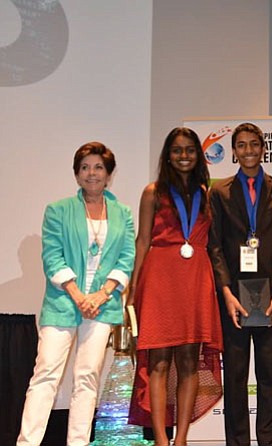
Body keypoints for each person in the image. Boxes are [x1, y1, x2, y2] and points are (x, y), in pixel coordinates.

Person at [17, 142, 135, 446]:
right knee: (45, 376)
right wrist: (78, 295)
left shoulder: (123, 214)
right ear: (76, 173)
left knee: (87, 379)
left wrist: (101, 295)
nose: (91, 173)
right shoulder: (58, 210)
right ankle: (27, 442)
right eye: (85, 167)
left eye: (98, 167)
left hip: (102, 306)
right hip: (62, 305)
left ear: (109, 174)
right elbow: (52, 257)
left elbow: (126, 258)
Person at [128, 127, 223, 446]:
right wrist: (133, 289)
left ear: (198, 155)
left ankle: (181, 439)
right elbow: (142, 241)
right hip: (159, 280)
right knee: (158, 362)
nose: (184, 156)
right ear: (168, 155)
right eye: (177, 150)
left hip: (195, 279)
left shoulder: (206, 194)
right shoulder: (153, 191)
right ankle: (160, 438)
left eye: (190, 150)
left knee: (187, 361)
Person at [208, 122, 272, 446]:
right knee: (234, 376)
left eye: (253, 144)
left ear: (263, 148)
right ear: (233, 151)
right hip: (233, 296)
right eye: (241, 145)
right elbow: (214, 246)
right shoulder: (218, 192)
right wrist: (226, 292)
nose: (248, 150)